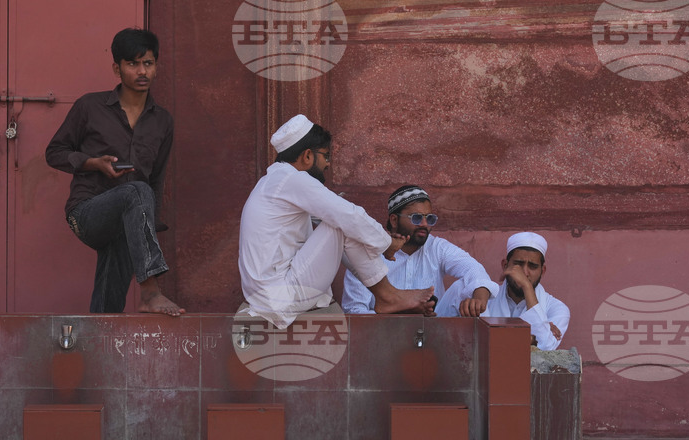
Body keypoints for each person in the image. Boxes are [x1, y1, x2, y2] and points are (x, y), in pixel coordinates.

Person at [239, 114, 433, 329]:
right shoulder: (291, 179)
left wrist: (378, 246)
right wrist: (388, 244)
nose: (328, 163)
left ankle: (387, 295)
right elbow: (348, 216)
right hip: (278, 297)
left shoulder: (274, 181)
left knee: (342, 224)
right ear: (307, 156)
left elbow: (344, 239)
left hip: (271, 295)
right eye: (326, 155)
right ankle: (387, 296)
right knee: (342, 221)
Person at [46, 28, 183, 316]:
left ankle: (99, 339)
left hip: (128, 219)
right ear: (117, 68)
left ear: (157, 67)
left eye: (148, 63)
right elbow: (53, 153)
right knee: (136, 191)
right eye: (133, 64)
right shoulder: (90, 106)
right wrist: (93, 163)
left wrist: (147, 227)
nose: (142, 71)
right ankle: (151, 293)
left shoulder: (163, 121)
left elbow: (155, 179)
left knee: (109, 305)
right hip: (86, 212)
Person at [341, 185, 497, 316]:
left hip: (434, 330)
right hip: (384, 332)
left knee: (468, 288)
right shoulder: (368, 253)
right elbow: (354, 311)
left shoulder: (437, 247)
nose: (424, 224)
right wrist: (402, 311)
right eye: (416, 218)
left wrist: (479, 299)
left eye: (429, 219)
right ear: (394, 220)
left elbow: (472, 268)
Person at [438, 232, 570, 350]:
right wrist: (529, 336)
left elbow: (545, 347)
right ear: (505, 265)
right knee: (460, 286)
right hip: (480, 374)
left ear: (543, 270)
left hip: (525, 377)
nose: (524, 273)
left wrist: (527, 287)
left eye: (533, 267)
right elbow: (437, 331)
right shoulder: (482, 296)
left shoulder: (557, 309)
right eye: (518, 264)